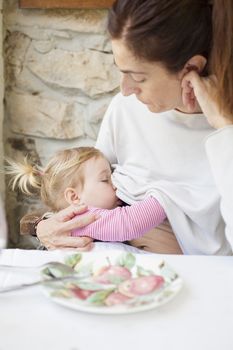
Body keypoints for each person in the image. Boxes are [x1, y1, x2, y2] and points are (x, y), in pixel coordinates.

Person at [23, 0, 233, 254]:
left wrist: (224, 127)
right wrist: (42, 225)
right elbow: (86, 194)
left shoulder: (224, 134)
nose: (125, 89)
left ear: (191, 68)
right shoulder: (126, 109)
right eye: (121, 72)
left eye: (138, 77)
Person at [6, 147, 167, 243]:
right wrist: (163, 198)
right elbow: (127, 223)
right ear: (75, 197)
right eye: (105, 179)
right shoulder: (83, 217)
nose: (115, 184)